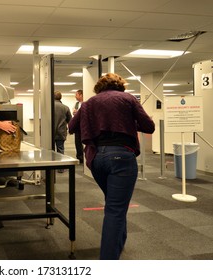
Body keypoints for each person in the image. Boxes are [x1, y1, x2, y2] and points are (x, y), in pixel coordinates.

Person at [69, 73, 155, 260]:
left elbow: (71, 127)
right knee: (115, 209)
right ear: (120, 86)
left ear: (100, 87)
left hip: (97, 159)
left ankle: (119, 242)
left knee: (115, 203)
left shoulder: (89, 102)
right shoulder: (128, 98)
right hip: (121, 158)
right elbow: (149, 127)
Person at [54, 91, 72, 173]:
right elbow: (70, 120)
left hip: (50, 132)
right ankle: (61, 168)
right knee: (60, 149)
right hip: (61, 132)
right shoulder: (65, 107)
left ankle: (50, 167)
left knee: (49, 150)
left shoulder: (49, 107)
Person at [72, 89, 84, 164]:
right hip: (78, 126)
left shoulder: (85, 103)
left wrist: (78, 112)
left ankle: (85, 156)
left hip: (84, 125)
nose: (75, 96)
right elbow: (74, 112)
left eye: (76, 95)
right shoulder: (76, 104)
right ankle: (79, 157)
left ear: (81, 95)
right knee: (78, 142)